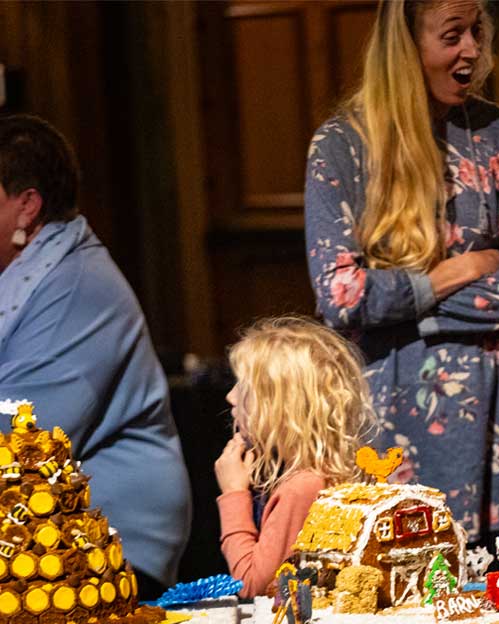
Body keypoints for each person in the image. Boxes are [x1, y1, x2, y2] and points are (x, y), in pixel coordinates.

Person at [303, 0, 499, 541]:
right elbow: (341, 295)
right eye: (452, 34)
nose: (471, 49)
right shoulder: (343, 146)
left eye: (477, 32)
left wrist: (395, 304)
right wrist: (451, 274)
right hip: (391, 416)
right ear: (406, 44)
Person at [0, 114, 190, 598]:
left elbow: (27, 437)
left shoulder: (75, 286)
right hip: (38, 535)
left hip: (107, 537)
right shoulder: (28, 278)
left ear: (26, 207)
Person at [215, 316, 372, 597]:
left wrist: (233, 493)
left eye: (245, 388)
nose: (231, 396)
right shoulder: (318, 476)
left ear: (282, 410)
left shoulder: (302, 488)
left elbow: (252, 585)